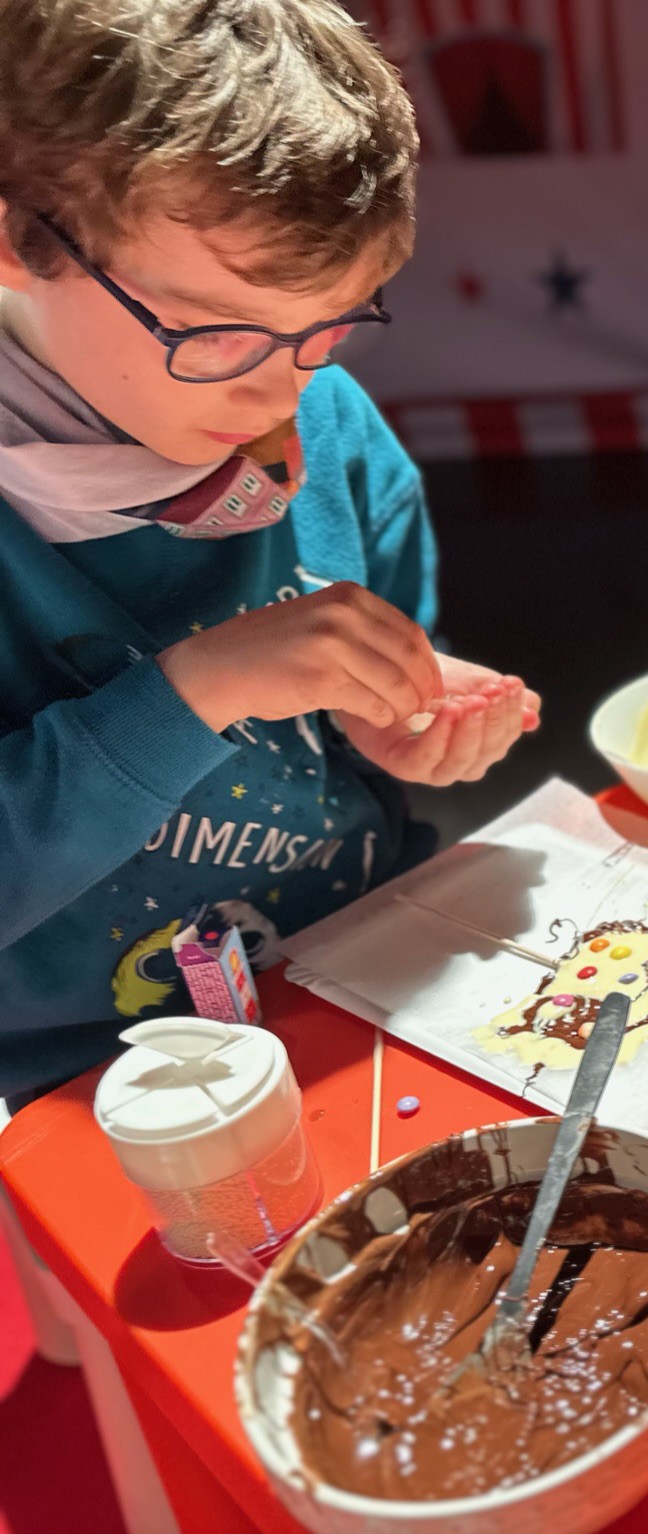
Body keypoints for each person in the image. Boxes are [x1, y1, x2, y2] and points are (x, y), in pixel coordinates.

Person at [0, 0, 537, 1103]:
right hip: (84, 1084)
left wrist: (396, 711)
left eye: (334, 324)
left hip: (352, 993)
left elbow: (362, 706)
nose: (279, 391)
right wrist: (199, 688)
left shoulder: (329, 427)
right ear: (18, 241)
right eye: (217, 333)